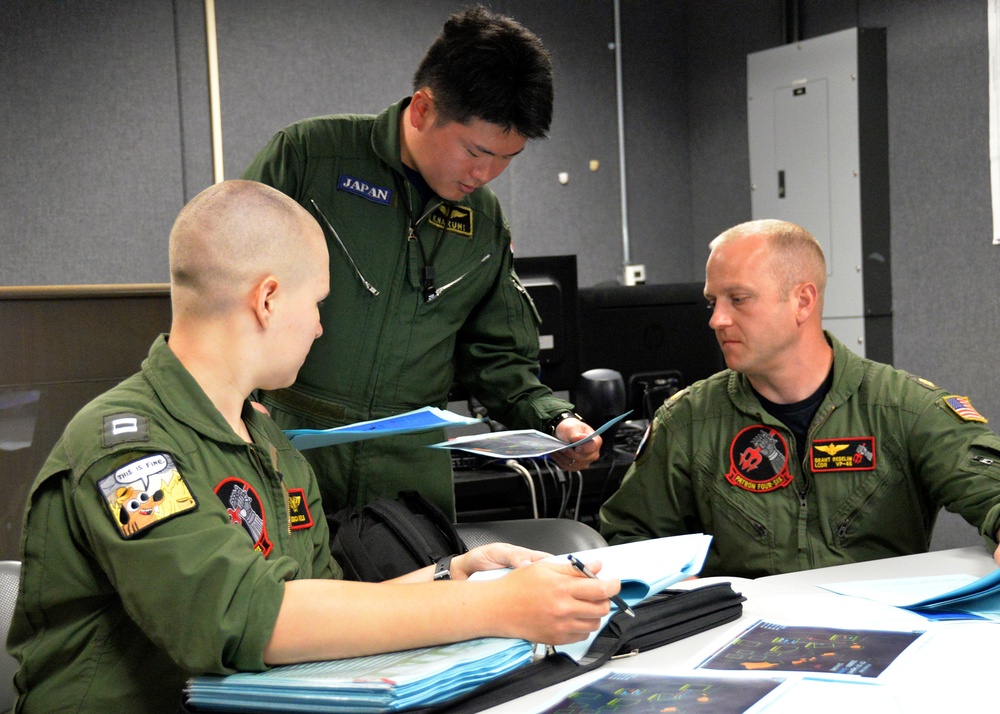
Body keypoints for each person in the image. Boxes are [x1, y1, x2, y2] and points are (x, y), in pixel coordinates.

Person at [5, 180, 619, 714]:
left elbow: (314, 608)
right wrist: (498, 609)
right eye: (318, 304)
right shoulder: (128, 450)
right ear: (267, 299)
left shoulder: (266, 439)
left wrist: (449, 574)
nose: (321, 327)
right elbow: (246, 617)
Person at [241, 5, 600, 520]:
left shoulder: (483, 221)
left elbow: (498, 358)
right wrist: (235, 411)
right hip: (291, 453)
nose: (486, 173)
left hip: (409, 479)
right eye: (475, 150)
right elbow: (228, 293)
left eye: (507, 158)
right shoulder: (310, 159)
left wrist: (555, 421)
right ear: (422, 110)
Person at [599, 219, 1000, 578]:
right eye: (712, 301)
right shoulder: (689, 421)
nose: (717, 319)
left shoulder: (902, 408)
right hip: (743, 641)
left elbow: (989, 487)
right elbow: (631, 537)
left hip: (881, 633)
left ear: (803, 302)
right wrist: (676, 582)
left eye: (738, 299)